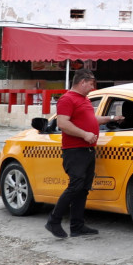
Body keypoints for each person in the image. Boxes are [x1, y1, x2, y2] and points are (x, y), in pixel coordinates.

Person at [45, 70, 108, 238]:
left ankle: (77, 226)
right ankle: (53, 220)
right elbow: (62, 124)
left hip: (87, 149)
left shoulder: (84, 100)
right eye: (91, 84)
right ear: (82, 82)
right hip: (74, 150)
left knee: (83, 189)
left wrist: (111, 119)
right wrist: (84, 134)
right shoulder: (67, 99)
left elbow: (91, 119)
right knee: (75, 186)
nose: (92, 87)